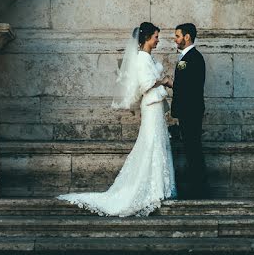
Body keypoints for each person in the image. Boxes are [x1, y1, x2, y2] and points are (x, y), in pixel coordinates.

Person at [58, 22, 176, 216]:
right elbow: (145, 84)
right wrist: (163, 80)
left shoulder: (147, 57)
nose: (158, 40)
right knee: (151, 144)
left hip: (155, 108)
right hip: (151, 106)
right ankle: (151, 189)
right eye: (156, 36)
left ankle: (158, 187)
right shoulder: (141, 58)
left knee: (156, 143)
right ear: (147, 38)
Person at [162, 22, 208, 198]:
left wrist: (170, 83)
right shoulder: (187, 57)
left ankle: (199, 189)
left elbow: (189, 87)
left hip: (191, 111)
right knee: (191, 149)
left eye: (177, 36)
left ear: (187, 37)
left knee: (193, 149)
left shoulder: (193, 58)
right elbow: (186, 84)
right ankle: (198, 187)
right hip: (188, 111)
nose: (175, 39)